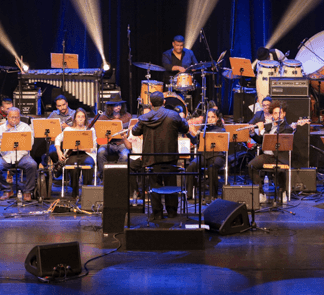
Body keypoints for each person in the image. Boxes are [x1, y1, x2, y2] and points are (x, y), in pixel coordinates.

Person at [131, 91, 189, 220]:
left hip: (151, 158)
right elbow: (185, 128)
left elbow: (135, 131)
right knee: (171, 184)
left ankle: (157, 213)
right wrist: (182, 118)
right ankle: (172, 212)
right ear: (164, 102)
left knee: (154, 186)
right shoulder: (173, 115)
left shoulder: (144, 117)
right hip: (170, 157)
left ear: (151, 104)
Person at [249, 100, 309, 204]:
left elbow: (271, 139)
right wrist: (253, 133)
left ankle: (283, 191)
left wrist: (262, 130)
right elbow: (262, 141)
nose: (278, 116)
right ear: (272, 114)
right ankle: (261, 193)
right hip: (267, 156)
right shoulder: (269, 126)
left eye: (280, 113)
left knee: (280, 169)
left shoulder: (287, 128)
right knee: (251, 165)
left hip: (280, 157)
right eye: (275, 113)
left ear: (284, 114)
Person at [0, 106, 36, 201]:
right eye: (12, 117)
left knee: (32, 165)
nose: (14, 119)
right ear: (7, 117)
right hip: (6, 156)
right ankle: (7, 189)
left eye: (16, 117)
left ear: (19, 117)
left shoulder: (25, 127)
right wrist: (0, 143)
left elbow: (30, 143)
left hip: (22, 156)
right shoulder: (1, 128)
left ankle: (27, 191)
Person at [185, 107, 227, 202]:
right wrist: (188, 133)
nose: (210, 119)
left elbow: (212, 139)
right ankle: (189, 194)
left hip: (217, 156)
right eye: (208, 117)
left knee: (212, 168)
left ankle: (213, 195)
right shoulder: (203, 129)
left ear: (217, 119)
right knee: (191, 166)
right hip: (204, 155)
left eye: (213, 117)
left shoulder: (221, 130)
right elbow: (196, 142)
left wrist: (196, 133)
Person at [54, 108, 97, 197]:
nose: (80, 119)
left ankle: (87, 193)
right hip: (72, 154)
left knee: (88, 165)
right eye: (78, 117)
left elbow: (93, 146)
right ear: (75, 119)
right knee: (73, 166)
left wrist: (83, 148)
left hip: (86, 154)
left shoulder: (90, 130)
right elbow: (58, 139)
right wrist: (59, 151)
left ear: (85, 118)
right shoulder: (68, 130)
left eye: (82, 117)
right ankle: (75, 192)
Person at [96, 101, 131, 180]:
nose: (118, 107)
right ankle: (104, 176)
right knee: (100, 152)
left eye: (119, 105)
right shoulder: (104, 117)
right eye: (115, 105)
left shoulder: (127, 116)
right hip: (108, 143)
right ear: (110, 107)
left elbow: (130, 131)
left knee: (125, 155)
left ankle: (117, 176)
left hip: (122, 143)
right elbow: (98, 130)